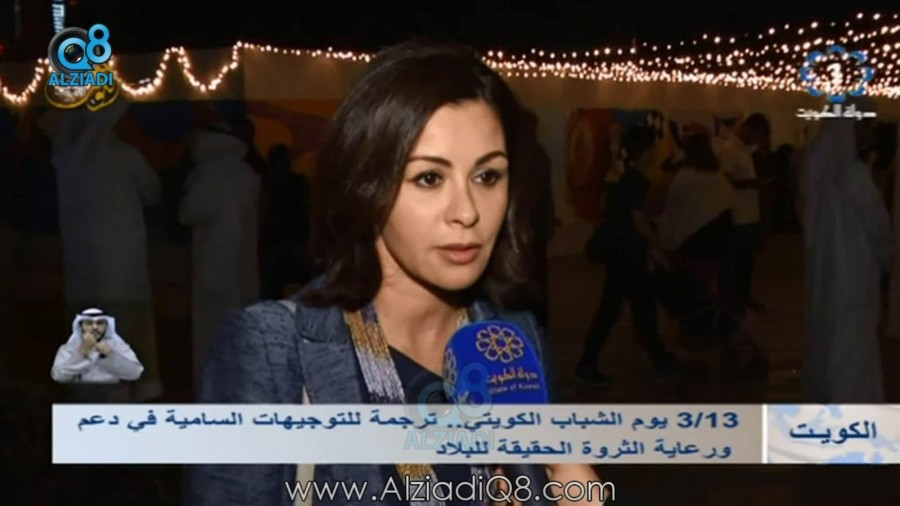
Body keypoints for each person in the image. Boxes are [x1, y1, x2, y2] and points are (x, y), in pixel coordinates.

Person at [183, 40, 602, 506]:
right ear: (366, 184)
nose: (467, 212)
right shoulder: (271, 351)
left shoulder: (514, 344)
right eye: (429, 178)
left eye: (487, 176)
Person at [49, 100, 163, 400]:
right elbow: (153, 192)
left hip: (81, 257)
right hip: (123, 255)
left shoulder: (66, 159)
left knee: (89, 318)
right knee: (128, 316)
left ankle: (92, 384)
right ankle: (133, 384)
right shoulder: (125, 156)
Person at [799, 113, 892, 403]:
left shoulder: (816, 169)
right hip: (855, 272)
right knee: (853, 344)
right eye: (865, 126)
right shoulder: (853, 174)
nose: (870, 133)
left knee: (831, 336)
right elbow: (877, 224)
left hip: (827, 271)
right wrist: (889, 255)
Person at [576, 125, 677, 387]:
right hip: (628, 252)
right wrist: (656, 245)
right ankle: (658, 361)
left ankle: (591, 362)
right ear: (645, 151)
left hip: (621, 251)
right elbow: (637, 219)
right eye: (653, 147)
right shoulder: (637, 181)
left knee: (623, 308)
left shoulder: (624, 179)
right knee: (634, 308)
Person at [179, 121, 262, 390]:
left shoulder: (209, 175)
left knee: (210, 330)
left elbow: (188, 213)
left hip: (212, 264)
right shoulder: (248, 175)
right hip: (243, 266)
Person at [714, 115, 772, 312]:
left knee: (746, 261)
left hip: (747, 214)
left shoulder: (744, 151)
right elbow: (723, 181)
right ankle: (733, 301)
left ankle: (743, 297)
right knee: (735, 262)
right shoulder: (730, 150)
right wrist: (752, 183)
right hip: (737, 215)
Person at [50, 308, 144, 383]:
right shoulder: (69, 348)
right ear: (81, 326)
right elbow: (59, 377)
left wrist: (111, 355)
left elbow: (135, 374)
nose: (95, 327)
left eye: (100, 323)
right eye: (89, 323)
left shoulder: (119, 346)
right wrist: (81, 354)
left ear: (106, 326)